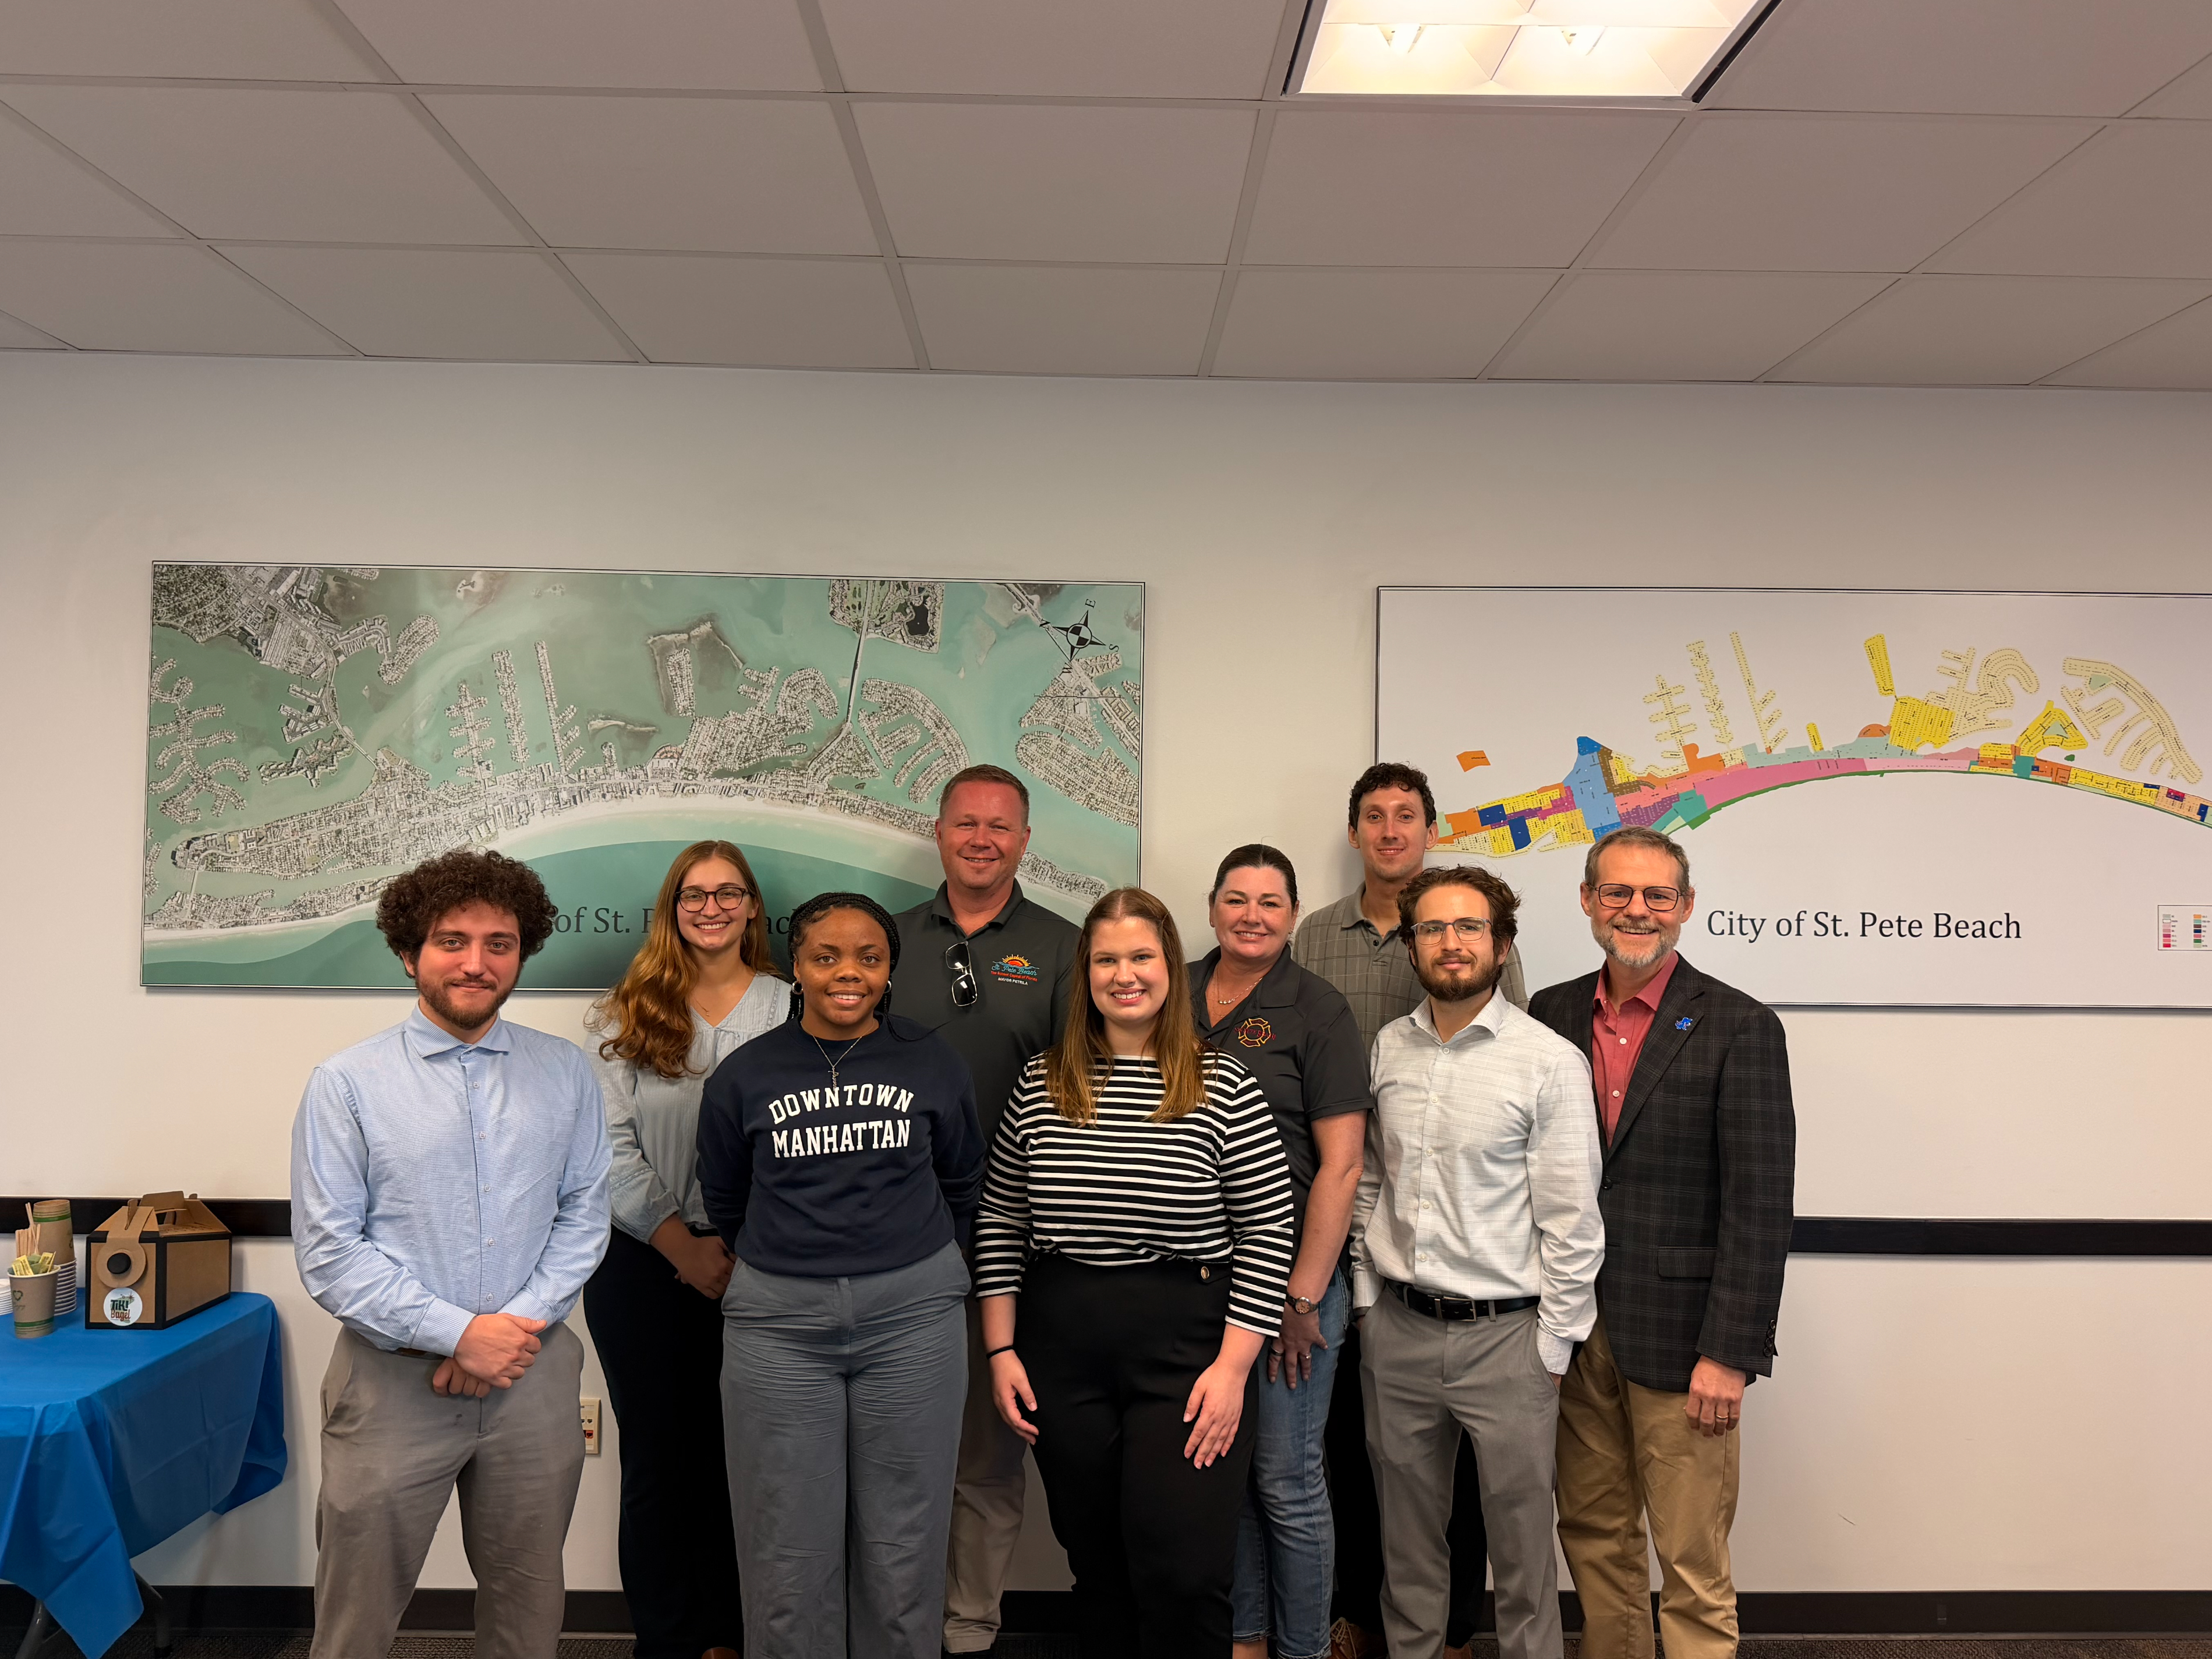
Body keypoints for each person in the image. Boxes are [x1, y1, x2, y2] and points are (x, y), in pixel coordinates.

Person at [291, 849, 611, 1659]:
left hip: (530, 1377)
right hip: (390, 1382)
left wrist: (509, 1330)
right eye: (452, 940)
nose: (477, 961)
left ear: (522, 952)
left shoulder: (566, 1072)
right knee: (357, 1611)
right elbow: (331, 1251)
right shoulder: (347, 1083)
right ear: (410, 952)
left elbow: (584, 1217)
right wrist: (456, 1332)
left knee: (528, 1600)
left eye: (499, 942)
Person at [975, 887, 1296, 1658]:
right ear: (1086, 972)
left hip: (1189, 1348)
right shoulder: (1042, 1082)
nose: (1126, 974)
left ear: (1169, 968)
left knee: (1183, 1569)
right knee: (1099, 1564)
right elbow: (1001, 1221)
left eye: (1142, 956)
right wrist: (1000, 1350)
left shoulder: (1225, 1084)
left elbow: (1266, 1228)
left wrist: (1232, 1368)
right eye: (1108, 959)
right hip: (1061, 1343)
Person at [1526, 826, 1796, 1659]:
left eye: (1655, 895)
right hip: (1572, 1327)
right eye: (1617, 892)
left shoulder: (1740, 1025)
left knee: (1691, 1557)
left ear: (1684, 907)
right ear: (1586, 900)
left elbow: (1760, 1205)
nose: (1635, 909)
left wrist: (1730, 1351)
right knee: (1595, 1542)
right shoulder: (1550, 1014)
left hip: (1684, 1342)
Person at [697, 891, 985, 1659]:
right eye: (826, 956)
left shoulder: (932, 1060)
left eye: (868, 957)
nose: (846, 973)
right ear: (796, 965)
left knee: (904, 1547)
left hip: (914, 1324)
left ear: (890, 969)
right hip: (778, 1331)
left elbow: (964, 1182)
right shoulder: (744, 1075)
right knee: (786, 1550)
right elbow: (726, 1197)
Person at [1291, 762, 1524, 1658]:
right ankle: (1356, 1607)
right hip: (1350, 1217)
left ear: (1430, 830)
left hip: (1461, 1231)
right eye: (1375, 817)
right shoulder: (1316, 936)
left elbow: (1517, 1050)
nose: (1391, 831)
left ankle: (1456, 1624)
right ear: (1355, 833)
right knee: (1352, 1439)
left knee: (1453, 1459)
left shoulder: (1465, 925)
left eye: (1407, 816)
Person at [1352, 865, 1602, 1659]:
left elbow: (1572, 1218)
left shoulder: (1548, 1060)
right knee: (1408, 1547)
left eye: (1469, 927)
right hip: (1398, 1332)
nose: (1450, 943)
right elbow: (1368, 1180)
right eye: (1432, 928)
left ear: (1501, 944)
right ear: (1411, 943)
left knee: (1523, 1553)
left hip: (1510, 1341)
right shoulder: (1390, 1046)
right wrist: (1365, 1300)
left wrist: (1554, 1344)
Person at [891, 762, 1080, 1658]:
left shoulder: (1064, 946)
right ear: (938, 831)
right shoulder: (884, 942)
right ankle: (894, 1621)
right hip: (891, 1241)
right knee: (894, 1449)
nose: (981, 839)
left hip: (1015, 1244)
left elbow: (1088, 1090)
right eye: (966, 822)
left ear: (1025, 841)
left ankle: (965, 1628)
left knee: (987, 1454)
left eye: (1000, 827)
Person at [582, 840, 785, 1659]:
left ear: (751, 907)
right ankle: (669, 1640)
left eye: (727, 892)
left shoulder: (792, 1004)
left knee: (752, 1464)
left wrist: (734, 1249)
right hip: (644, 1268)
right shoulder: (622, 1012)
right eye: (693, 894)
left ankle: (737, 1635)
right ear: (672, 908)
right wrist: (682, 1245)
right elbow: (608, 1151)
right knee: (662, 1467)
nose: (711, 907)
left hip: (765, 1264)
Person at [1190, 846, 1373, 1659]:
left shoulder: (1317, 1007)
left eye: (1270, 901)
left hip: (1293, 1280)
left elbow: (1342, 1164)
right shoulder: (1172, 989)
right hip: (1198, 1278)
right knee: (1225, 1479)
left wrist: (1300, 1298)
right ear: (1212, 906)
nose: (1252, 914)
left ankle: (1303, 1647)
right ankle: (1246, 1640)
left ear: (1293, 914)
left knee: (1287, 1482)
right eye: (1237, 898)